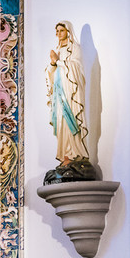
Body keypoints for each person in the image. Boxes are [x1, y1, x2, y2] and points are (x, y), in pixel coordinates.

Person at [45, 21, 88, 167]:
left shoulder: (75, 48)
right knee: (61, 120)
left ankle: (74, 153)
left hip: (70, 92)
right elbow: (51, 72)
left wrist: (59, 61)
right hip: (59, 91)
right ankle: (65, 154)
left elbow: (77, 68)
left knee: (71, 119)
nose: (58, 34)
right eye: (57, 31)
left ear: (68, 31)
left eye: (61, 30)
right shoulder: (57, 50)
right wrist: (52, 64)